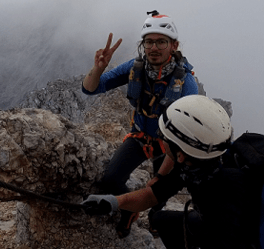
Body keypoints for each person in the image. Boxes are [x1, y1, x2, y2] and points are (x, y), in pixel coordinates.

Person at [82, 95, 262, 249]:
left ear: (180, 153)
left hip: (240, 237)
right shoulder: (196, 165)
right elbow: (151, 196)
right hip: (215, 223)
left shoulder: (227, 192)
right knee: (162, 220)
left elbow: (227, 239)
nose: (160, 138)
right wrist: (113, 202)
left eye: (164, 137)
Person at [82, 11, 199, 238]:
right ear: (143, 45)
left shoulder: (186, 83)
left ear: (173, 45)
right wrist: (98, 67)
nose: (153, 47)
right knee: (111, 179)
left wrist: (161, 176)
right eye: (148, 42)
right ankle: (129, 213)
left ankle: (155, 219)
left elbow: (183, 137)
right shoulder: (135, 68)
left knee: (157, 192)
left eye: (161, 42)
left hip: (170, 147)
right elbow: (90, 88)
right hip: (141, 137)